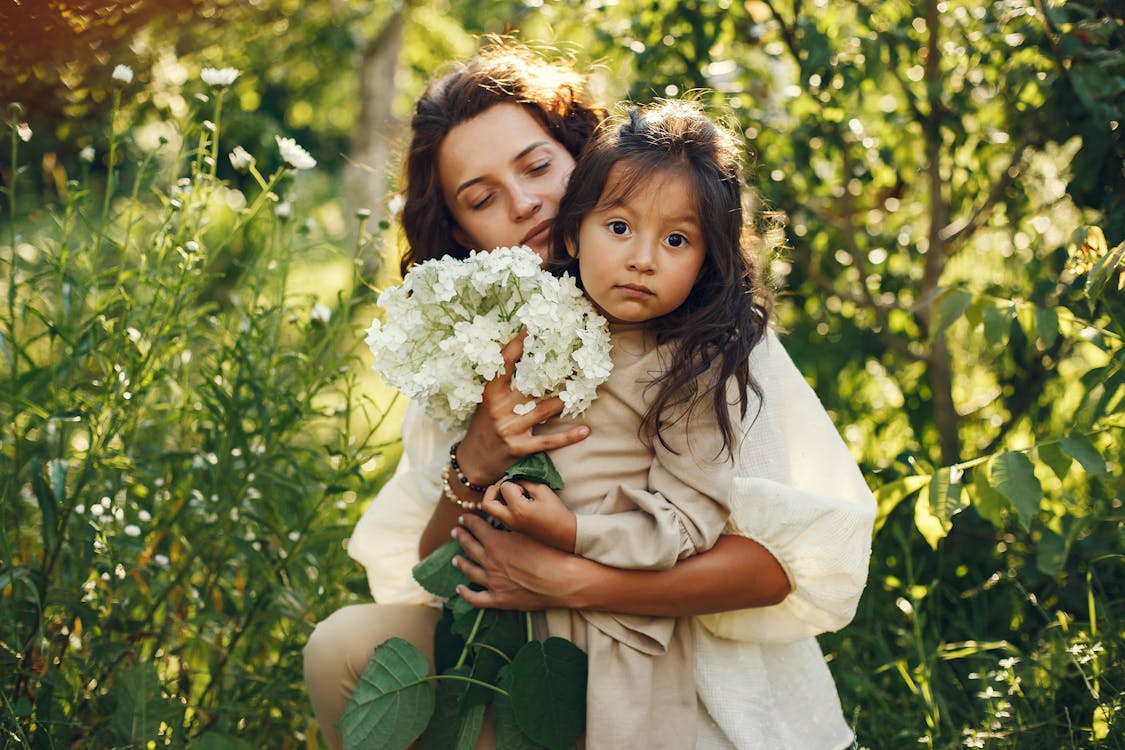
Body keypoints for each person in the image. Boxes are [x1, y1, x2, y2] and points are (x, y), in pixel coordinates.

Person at [303, 38, 876, 750]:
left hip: (680, 658)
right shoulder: (473, 344)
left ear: (583, 154)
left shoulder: (705, 333)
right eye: (482, 199)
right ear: (460, 231)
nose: (524, 203)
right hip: (524, 654)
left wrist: (571, 580)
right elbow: (435, 577)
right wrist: (474, 458)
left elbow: (769, 567)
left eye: (538, 166)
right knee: (343, 648)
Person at [470, 99, 770, 749]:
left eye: (675, 240)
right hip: (515, 623)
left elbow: (689, 523)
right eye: (618, 228)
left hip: (618, 634)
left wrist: (572, 531)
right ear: (572, 233)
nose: (641, 259)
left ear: (705, 261)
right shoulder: (536, 324)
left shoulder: (690, 370)